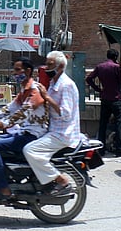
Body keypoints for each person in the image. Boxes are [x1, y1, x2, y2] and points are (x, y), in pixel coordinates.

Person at [0, 57, 50, 202]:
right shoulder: (24, 90)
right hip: (24, 132)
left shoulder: (35, 91)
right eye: (14, 71)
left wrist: (0, 125)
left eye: (18, 70)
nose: (15, 74)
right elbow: (9, 108)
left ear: (28, 71)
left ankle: (3, 188)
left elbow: (22, 113)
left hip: (34, 135)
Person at [24, 50, 83, 195]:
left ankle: (62, 181)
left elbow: (66, 113)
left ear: (61, 66)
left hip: (63, 133)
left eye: (50, 65)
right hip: (52, 129)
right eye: (46, 64)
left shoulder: (66, 85)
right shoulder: (53, 83)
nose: (47, 68)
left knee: (30, 150)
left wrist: (46, 97)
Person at [86, 48, 121, 155]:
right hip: (116, 99)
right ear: (115, 57)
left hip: (105, 98)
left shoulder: (100, 67)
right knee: (119, 123)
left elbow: (89, 79)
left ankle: (101, 149)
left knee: (103, 124)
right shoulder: (116, 67)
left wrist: (98, 89)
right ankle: (119, 149)